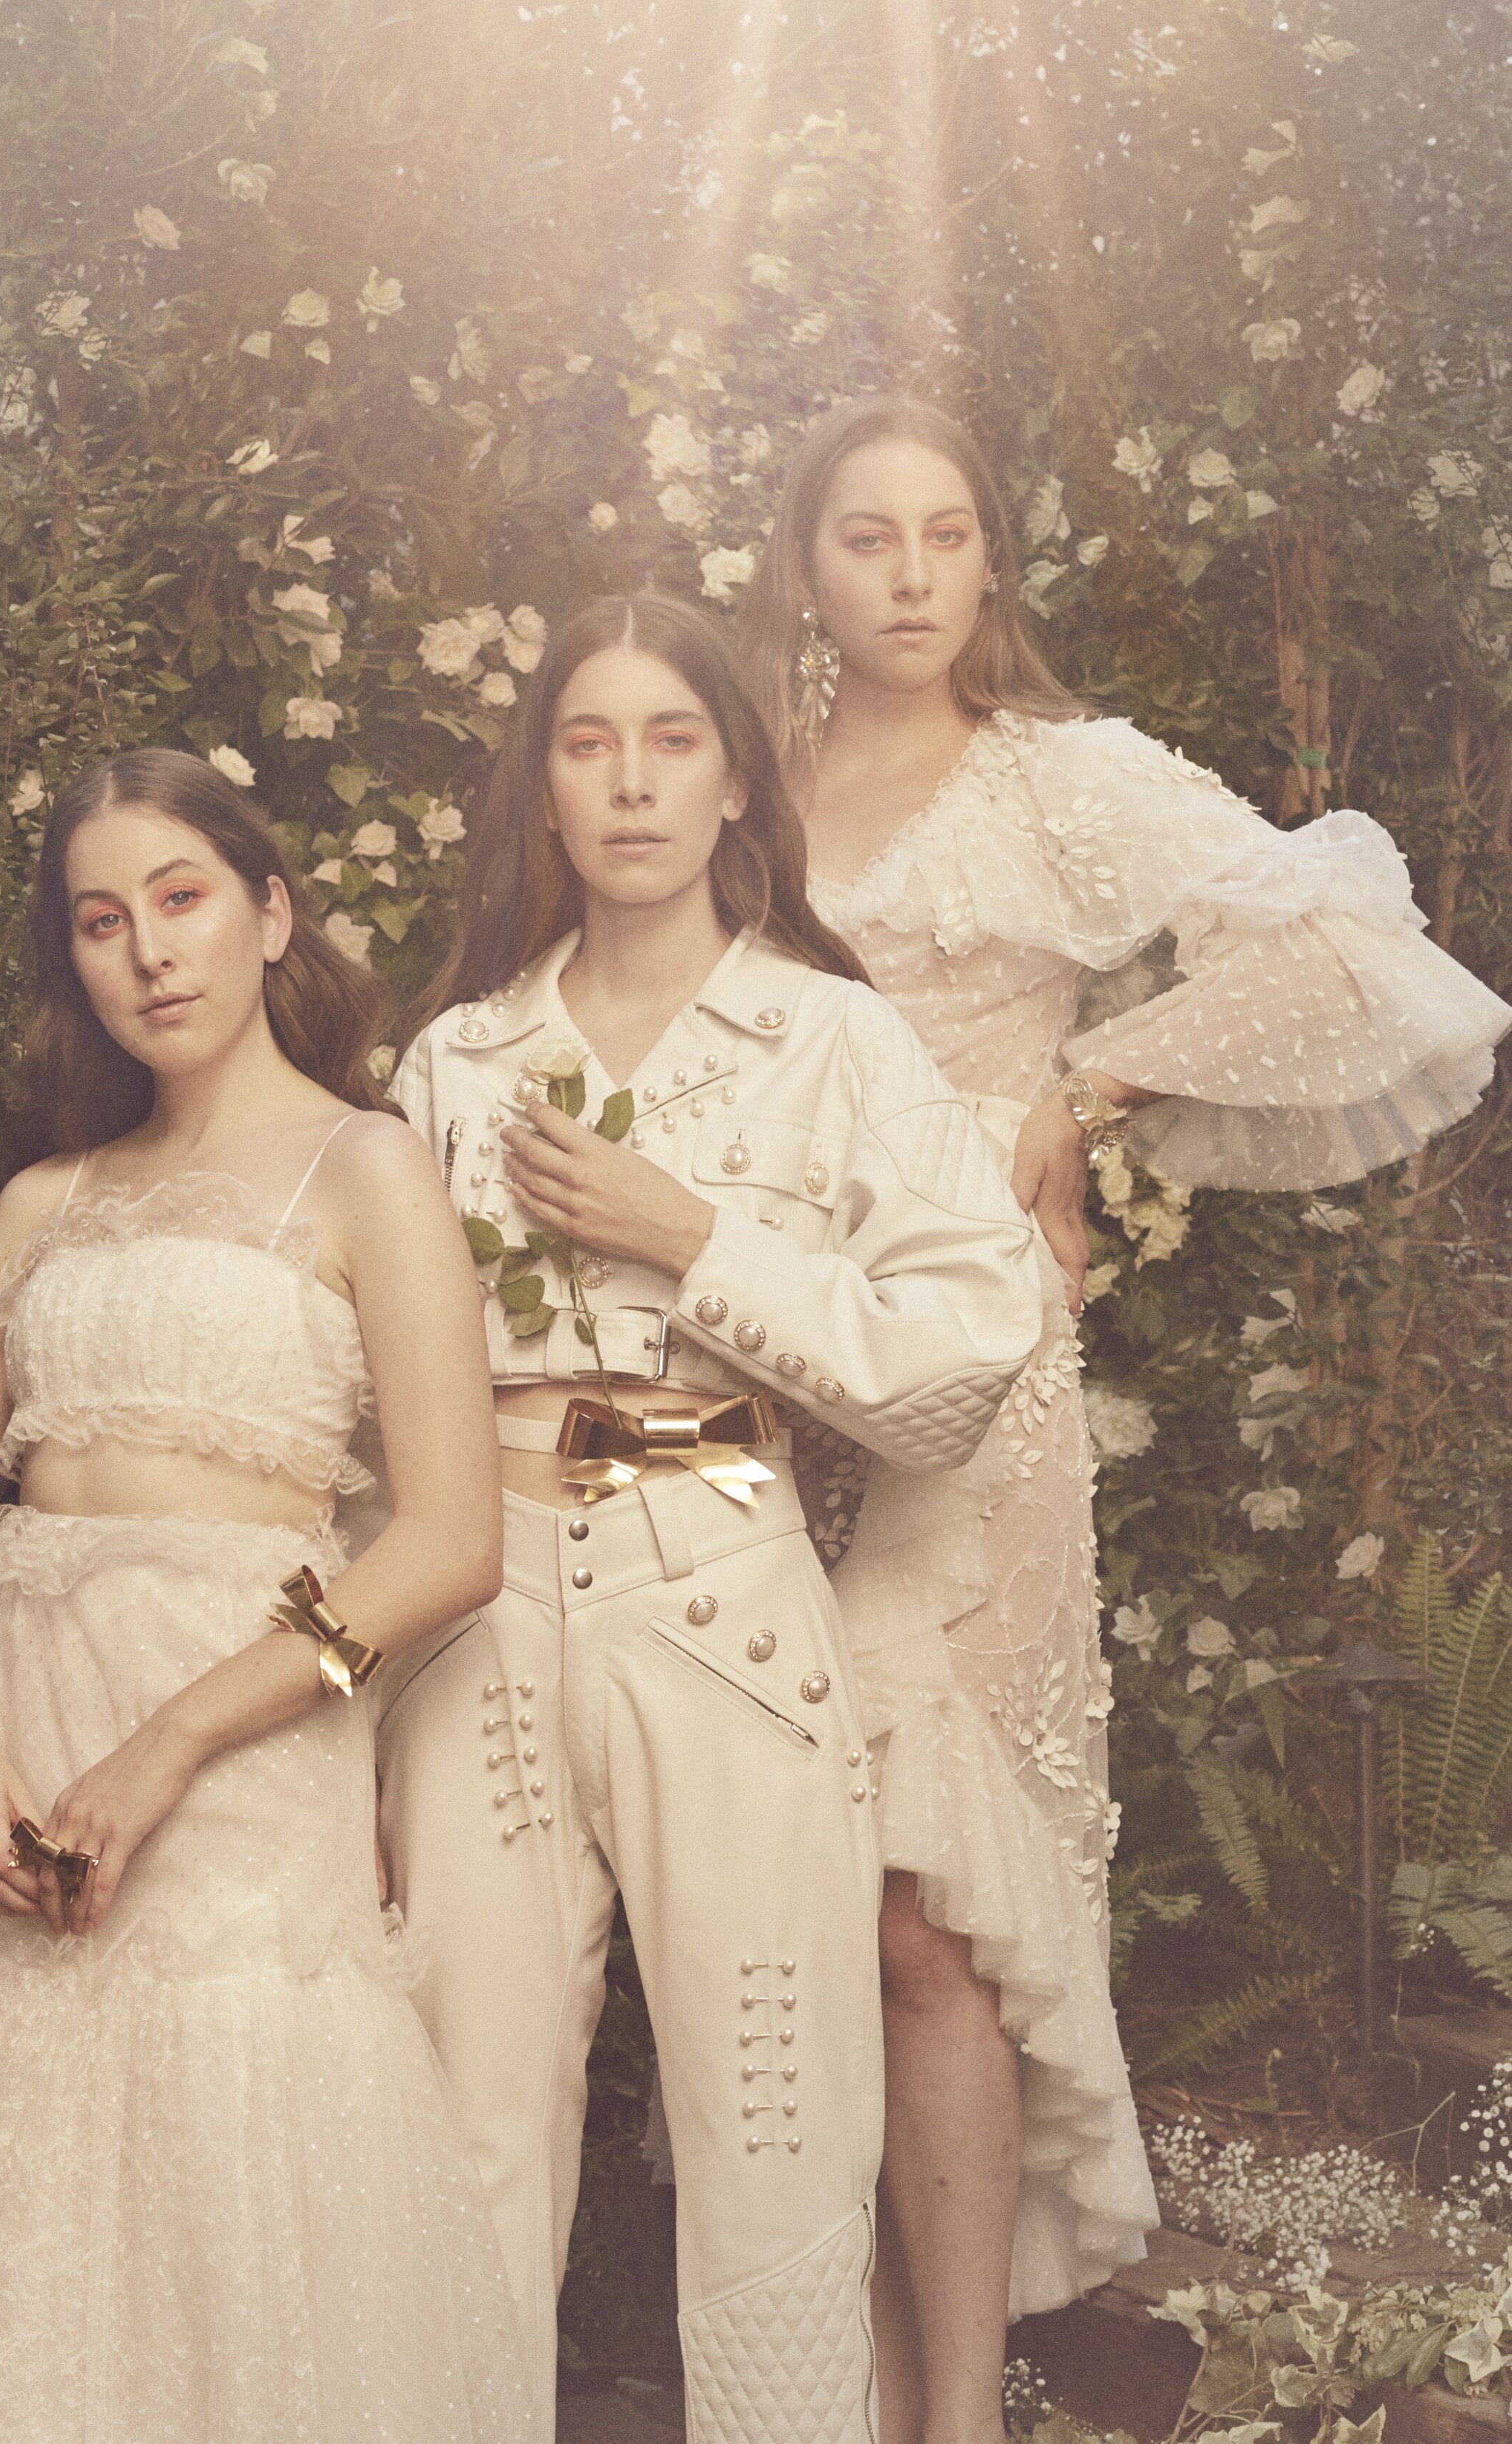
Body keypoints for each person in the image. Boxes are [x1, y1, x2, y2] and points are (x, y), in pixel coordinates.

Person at [736, 393, 1512, 2444]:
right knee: (785, 1901)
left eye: (945, 533)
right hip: (750, 1373)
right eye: (864, 538)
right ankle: (850, 2391)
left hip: (967, 1392)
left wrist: (1082, 1095)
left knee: (927, 1913)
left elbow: (1356, 959)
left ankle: (957, 2411)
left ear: (989, 559)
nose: (909, 573)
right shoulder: (738, 783)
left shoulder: (1052, 777)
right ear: (801, 568)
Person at [0, 748, 533, 2444]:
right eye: (103, 922)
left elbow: (450, 1541)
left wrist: (169, 1746)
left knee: (230, 2216)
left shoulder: (369, 1170)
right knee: (9, 2252)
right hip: (18, 1783)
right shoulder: (42, 1204)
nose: (151, 950)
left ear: (270, 914)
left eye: (182, 899)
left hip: (238, 1776)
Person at [379, 592, 1044, 2444]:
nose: (629, 782)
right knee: (464, 2120)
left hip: (720, 1586)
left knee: (774, 2126)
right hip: (478, 1613)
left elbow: (967, 1349)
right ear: (542, 788)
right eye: (587, 742)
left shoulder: (832, 1041)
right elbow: (374, 1410)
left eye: (670, 740)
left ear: (735, 780)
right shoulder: (457, 1062)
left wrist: (694, 1240)